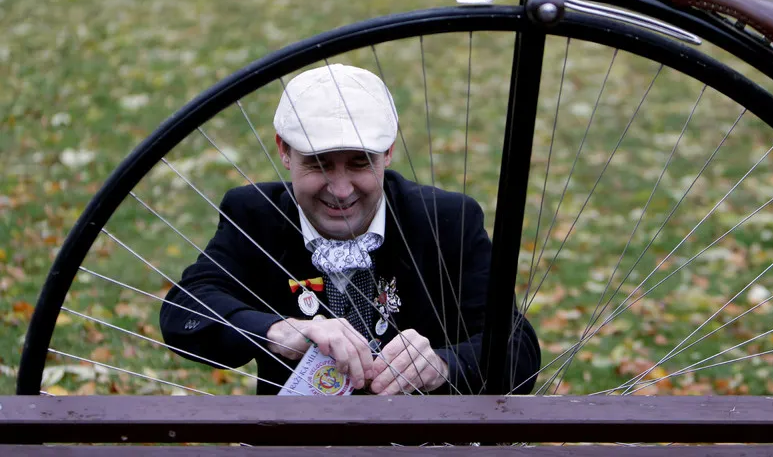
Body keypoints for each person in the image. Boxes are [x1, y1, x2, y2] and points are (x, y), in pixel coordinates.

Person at [160, 65, 540, 396]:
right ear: (284, 151)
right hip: (298, 443)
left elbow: (518, 347)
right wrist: (281, 331)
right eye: (318, 163)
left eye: (360, 163)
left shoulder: (447, 220)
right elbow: (183, 311)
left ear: (388, 152)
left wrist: (442, 365)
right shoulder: (256, 215)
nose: (341, 190)